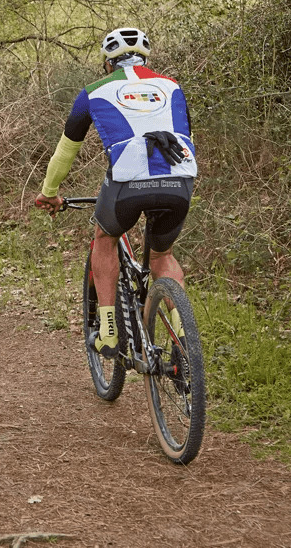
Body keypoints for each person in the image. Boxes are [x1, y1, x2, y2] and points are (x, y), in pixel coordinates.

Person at [33, 28, 197, 357]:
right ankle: (184, 343)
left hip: (128, 182)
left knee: (104, 238)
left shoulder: (93, 92)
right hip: (180, 180)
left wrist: (49, 192)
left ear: (108, 64)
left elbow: (65, 154)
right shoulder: (173, 86)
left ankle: (108, 333)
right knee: (162, 256)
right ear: (145, 58)